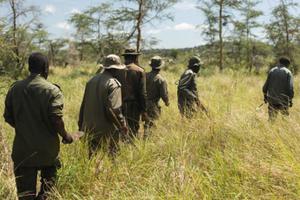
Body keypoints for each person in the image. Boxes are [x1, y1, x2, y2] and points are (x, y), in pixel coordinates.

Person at [3, 52, 74, 200]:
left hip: (23, 151)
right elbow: (56, 118)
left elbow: (8, 117)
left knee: (25, 195)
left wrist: (23, 127)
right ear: (45, 68)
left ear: (29, 67)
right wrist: (66, 135)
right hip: (48, 152)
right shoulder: (52, 90)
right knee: (48, 191)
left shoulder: (14, 89)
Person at [78, 54, 128, 158]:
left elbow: (83, 105)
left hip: (89, 127)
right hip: (107, 129)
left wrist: (81, 125)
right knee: (112, 159)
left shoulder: (91, 80)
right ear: (115, 70)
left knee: (92, 158)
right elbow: (115, 110)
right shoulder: (114, 84)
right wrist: (122, 125)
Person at [118, 48, 148, 139]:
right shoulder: (139, 71)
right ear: (135, 58)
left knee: (120, 128)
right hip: (133, 106)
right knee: (133, 129)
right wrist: (144, 110)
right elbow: (142, 93)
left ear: (125, 58)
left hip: (118, 105)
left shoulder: (117, 70)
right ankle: (130, 150)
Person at [144, 56, 169, 137]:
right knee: (152, 124)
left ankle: (145, 138)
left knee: (146, 123)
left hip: (142, 103)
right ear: (160, 67)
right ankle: (148, 140)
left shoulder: (144, 75)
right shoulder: (161, 79)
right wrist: (167, 102)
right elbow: (164, 94)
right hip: (153, 105)